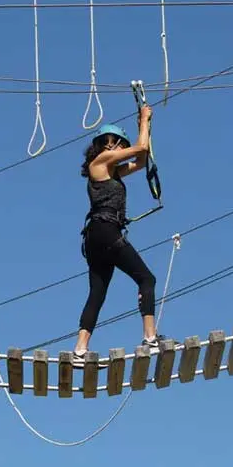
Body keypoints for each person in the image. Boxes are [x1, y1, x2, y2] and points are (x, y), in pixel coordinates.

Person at [73, 104, 165, 360]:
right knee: (147, 279)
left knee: (97, 294)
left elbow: (141, 160)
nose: (119, 148)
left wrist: (142, 127)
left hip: (96, 237)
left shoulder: (111, 170)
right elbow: (141, 149)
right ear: (106, 144)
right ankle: (150, 338)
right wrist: (145, 120)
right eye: (116, 143)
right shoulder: (99, 161)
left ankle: (80, 349)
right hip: (105, 231)